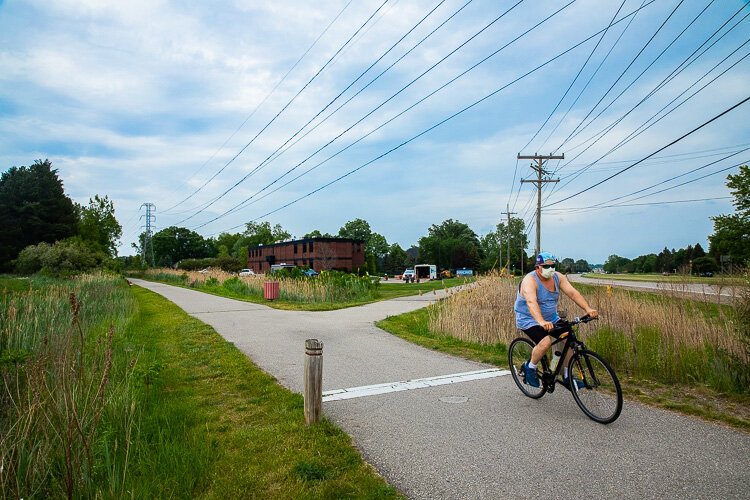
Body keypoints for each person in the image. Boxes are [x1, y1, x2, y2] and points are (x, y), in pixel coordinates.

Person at [513, 252, 598, 389]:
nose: (550, 269)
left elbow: (573, 293)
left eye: (553, 266)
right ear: (537, 267)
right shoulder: (530, 280)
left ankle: (567, 376)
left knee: (569, 340)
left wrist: (588, 309)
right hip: (529, 319)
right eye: (546, 266)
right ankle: (530, 367)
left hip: (551, 318)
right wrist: (540, 321)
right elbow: (531, 302)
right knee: (545, 342)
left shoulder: (558, 277)